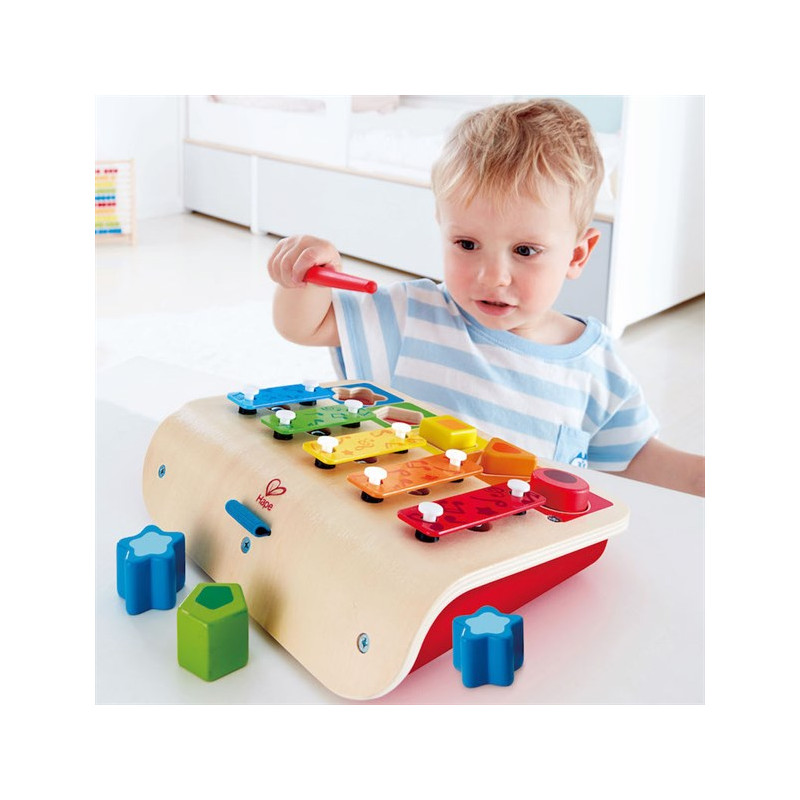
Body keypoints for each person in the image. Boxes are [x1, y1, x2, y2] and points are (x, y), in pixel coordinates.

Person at [267, 98, 705, 497]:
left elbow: (637, 461)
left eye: (525, 251)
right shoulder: (411, 315)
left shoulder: (597, 368)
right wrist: (305, 277)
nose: (492, 277)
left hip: (513, 555)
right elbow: (305, 325)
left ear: (576, 254)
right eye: (467, 244)